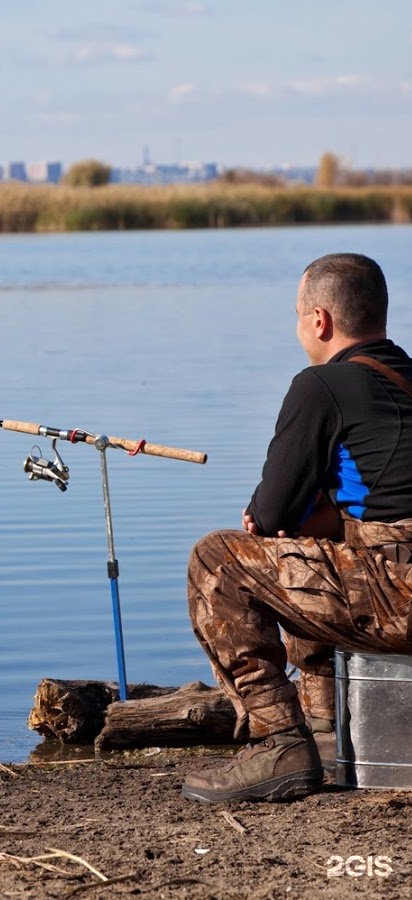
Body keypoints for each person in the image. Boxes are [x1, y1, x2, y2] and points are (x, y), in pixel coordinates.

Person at [182, 252, 412, 803]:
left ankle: (280, 742)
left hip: (401, 592)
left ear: (321, 320)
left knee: (220, 559)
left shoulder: (321, 385)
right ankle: (328, 720)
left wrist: (268, 520)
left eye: (297, 314)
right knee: (313, 546)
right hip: (393, 574)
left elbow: (271, 513)